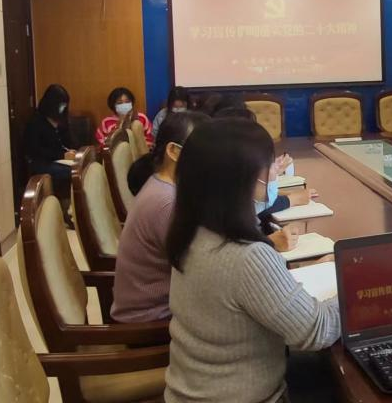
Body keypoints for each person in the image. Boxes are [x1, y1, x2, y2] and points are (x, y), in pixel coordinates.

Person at [164, 118, 341, 403]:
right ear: (241, 180)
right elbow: (317, 330)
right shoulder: (246, 256)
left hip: (196, 388)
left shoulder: (192, 229)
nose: (274, 172)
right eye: (269, 165)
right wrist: (355, 285)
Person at [112, 111, 210, 323]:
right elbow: (205, 269)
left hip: (164, 306)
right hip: (153, 320)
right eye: (204, 150)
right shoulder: (167, 201)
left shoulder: (161, 183)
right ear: (173, 151)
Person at [24, 84, 77, 227]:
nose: (63, 108)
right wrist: (62, 155)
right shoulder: (36, 122)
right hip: (41, 161)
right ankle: (65, 211)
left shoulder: (62, 120)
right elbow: (35, 150)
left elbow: (68, 141)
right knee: (69, 173)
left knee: (79, 168)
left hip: (60, 159)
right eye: (60, 104)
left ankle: (73, 209)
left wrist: (71, 151)